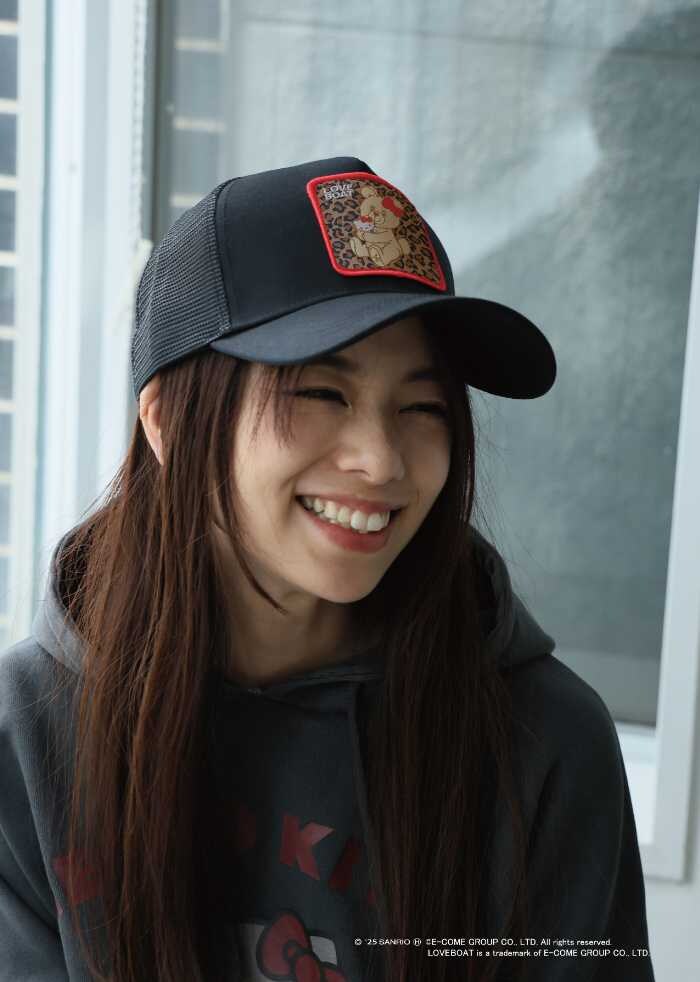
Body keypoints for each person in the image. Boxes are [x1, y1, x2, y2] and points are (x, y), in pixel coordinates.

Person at [0, 156, 654, 982]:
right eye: (320, 393)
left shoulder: (543, 743)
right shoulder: (27, 740)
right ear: (166, 421)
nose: (382, 461)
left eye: (422, 407)